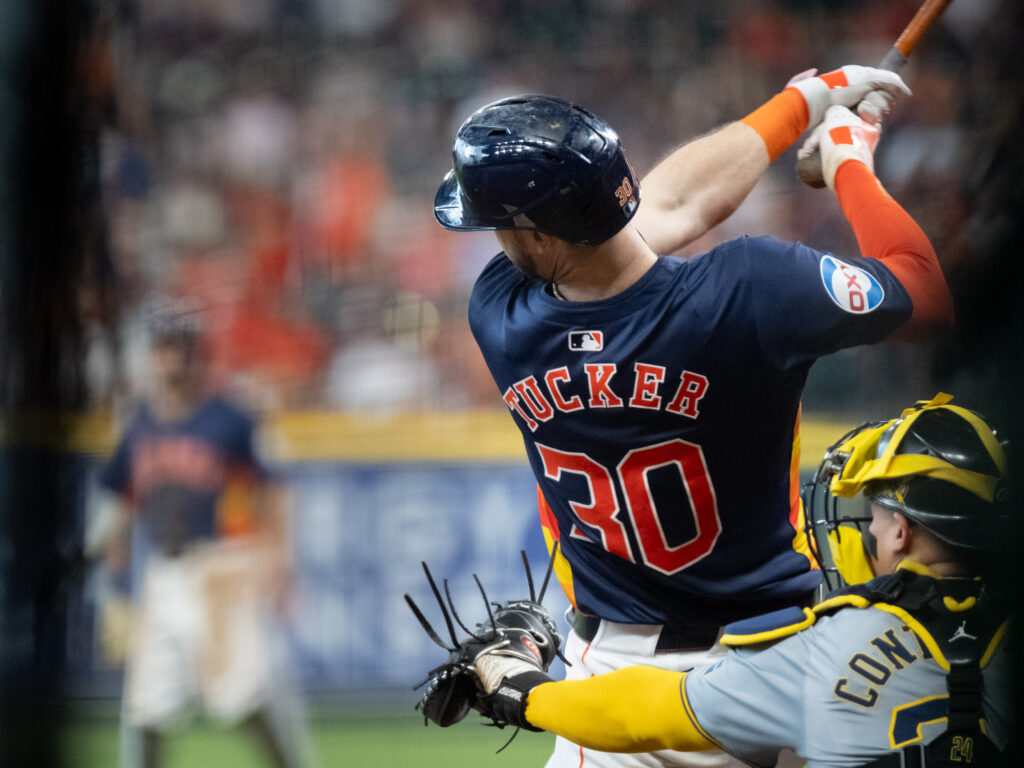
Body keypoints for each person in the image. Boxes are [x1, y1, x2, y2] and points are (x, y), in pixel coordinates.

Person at [432, 66, 954, 768]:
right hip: (784, 669)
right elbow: (925, 290)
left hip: (618, 686)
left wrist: (800, 104)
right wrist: (846, 155)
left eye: (502, 227)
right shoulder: (755, 291)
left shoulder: (501, 317)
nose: (495, 244)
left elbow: (672, 206)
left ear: (543, 238)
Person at [461, 394, 1014, 767]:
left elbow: (645, 712)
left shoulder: (829, 651)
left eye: (874, 514)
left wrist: (526, 691)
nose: (865, 527)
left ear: (902, 533)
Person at [94, 299, 315, 768]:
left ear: (198, 353)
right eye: (163, 347)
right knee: (146, 707)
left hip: (222, 569)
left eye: (179, 347)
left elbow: (274, 489)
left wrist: (277, 559)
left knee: (240, 698)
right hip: (162, 573)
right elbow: (121, 502)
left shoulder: (231, 416)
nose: (170, 357)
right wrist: (114, 587)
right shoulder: (138, 422)